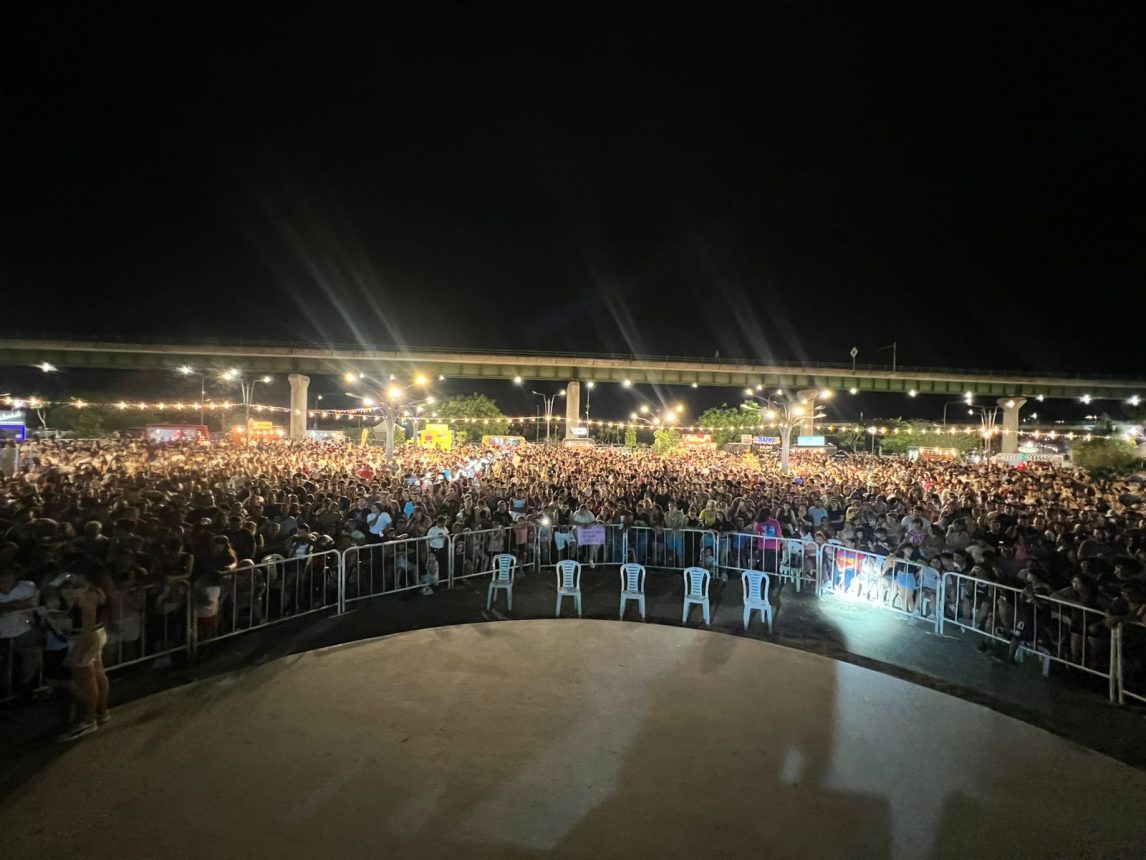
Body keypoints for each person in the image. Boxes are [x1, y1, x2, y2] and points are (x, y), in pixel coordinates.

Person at [55, 572, 112, 741]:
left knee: (85, 681)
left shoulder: (88, 596)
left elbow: (87, 626)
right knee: (97, 675)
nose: (69, 578)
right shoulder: (93, 591)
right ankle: (101, 712)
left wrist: (76, 651)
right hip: (96, 634)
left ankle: (87, 720)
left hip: (86, 638)